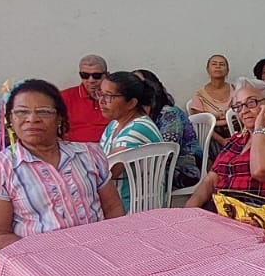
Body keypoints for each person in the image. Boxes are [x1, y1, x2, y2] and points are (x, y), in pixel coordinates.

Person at [0, 79, 123, 252]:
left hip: (100, 249)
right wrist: (45, 259)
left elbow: (113, 208)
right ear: (10, 120)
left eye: (44, 112)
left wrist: (113, 245)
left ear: (59, 118)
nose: (32, 119)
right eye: (21, 112)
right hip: (37, 259)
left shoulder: (90, 154)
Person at [181, 78, 265, 208]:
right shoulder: (237, 139)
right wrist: (189, 210)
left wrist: (261, 129)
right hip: (219, 209)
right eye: (239, 106)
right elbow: (211, 179)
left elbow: (260, 171)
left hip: (252, 214)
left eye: (251, 102)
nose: (244, 111)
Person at [97, 71, 163, 210]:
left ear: (131, 103)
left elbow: (106, 174)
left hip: (131, 207)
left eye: (109, 96)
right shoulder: (114, 124)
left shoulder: (138, 129)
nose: (101, 101)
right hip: (118, 203)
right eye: (100, 94)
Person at [134, 69, 200, 191]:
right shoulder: (135, 116)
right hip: (152, 167)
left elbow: (167, 152)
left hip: (181, 169)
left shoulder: (169, 114)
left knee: (132, 178)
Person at [188, 54, 234, 152]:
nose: (218, 67)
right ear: (208, 70)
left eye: (222, 64)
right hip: (213, 136)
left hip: (236, 131)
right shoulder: (199, 95)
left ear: (227, 70)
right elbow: (201, 124)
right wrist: (222, 141)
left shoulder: (236, 91)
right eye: (214, 64)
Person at [60, 54, 110, 143]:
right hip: (74, 147)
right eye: (85, 75)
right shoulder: (65, 97)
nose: (91, 80)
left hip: (110, 147)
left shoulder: (115, 96)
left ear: (107, 75)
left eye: (96, 75)